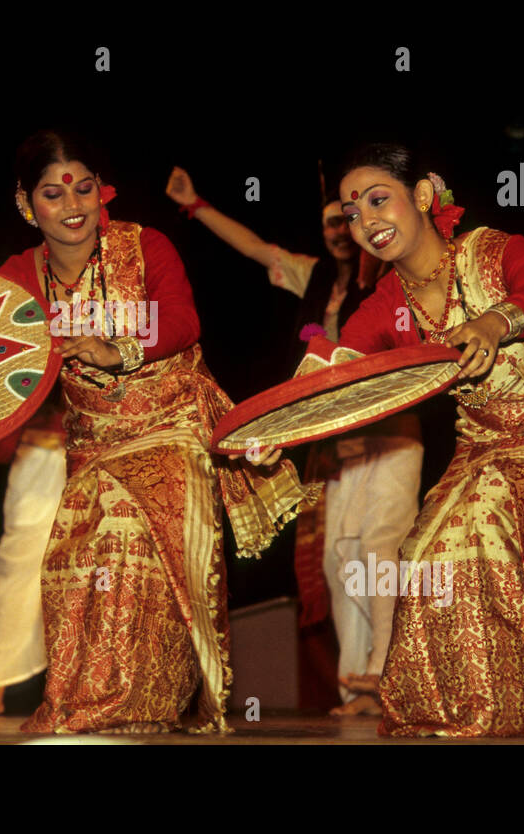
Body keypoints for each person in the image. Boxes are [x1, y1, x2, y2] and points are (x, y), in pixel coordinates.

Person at [259, 143, 524, 736]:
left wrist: (494, 321)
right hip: (485, 446)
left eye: (379, 201)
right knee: (421, 559)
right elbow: (332, 363)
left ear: (424, 197)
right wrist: (280, 427)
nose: (366, 223)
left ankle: (510, 715)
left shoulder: (496, 250)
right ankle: (469, 715)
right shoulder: (388, 301)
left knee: (486, 540)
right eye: (352, 213)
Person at [0, 130, 309, 733]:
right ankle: (88, 699)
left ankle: (141, 701)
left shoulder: (145, 245)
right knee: (73, 557)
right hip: (91, 443)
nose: (73, 206)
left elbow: (185, 321)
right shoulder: (15, 279)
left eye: (84, 188)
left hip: (170, 424)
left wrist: (119, 349)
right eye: (53, 194)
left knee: (128, 531)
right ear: (25, 203)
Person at [164, 165, 422, 716]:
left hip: (390, 432)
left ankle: (386, 677)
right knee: (338, 560)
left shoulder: (392, 280)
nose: (339, 228)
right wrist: (195, 205)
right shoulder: (315, 279)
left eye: (349, 218)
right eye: (333, 220)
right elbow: (255, 249)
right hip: (332, 441)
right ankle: (357, 689)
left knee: (380, 549)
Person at [0, 397, 67, 718]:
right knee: (15, 578)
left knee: (79, 577)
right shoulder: (25, 365)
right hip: (35, 466)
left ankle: (72, 693)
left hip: (84, 458)